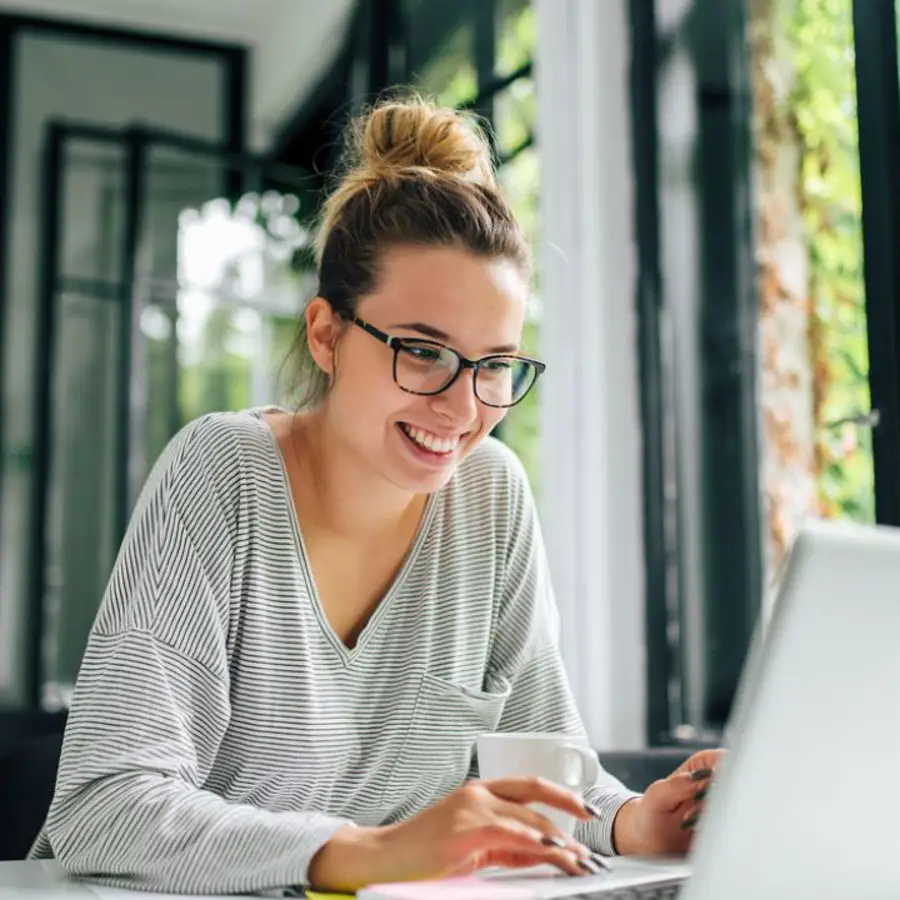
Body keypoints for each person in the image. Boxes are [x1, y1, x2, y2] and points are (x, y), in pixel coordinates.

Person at [30, 97, 721, 895]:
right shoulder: (223, 473)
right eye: (424, 352)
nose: (463, 411)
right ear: (326, 334)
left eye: (495, 364)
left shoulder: (491, 498)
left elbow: (547, 775)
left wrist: (638, 820)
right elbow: (103, 803)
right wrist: (367, 851)